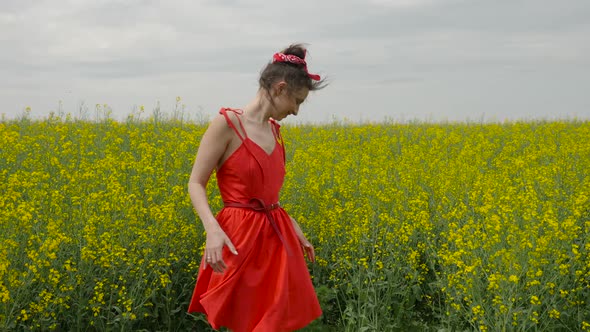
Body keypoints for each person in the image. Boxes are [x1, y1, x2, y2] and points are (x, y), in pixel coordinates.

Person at [187, 43, 326, 332]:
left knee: (273, 322)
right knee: (245, 321)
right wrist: (211, 228)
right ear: (280, 88)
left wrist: (294, 226)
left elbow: (268, 197)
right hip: (238, 238)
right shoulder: (227, 124)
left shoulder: (276, 131)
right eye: (296, 101)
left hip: (276, 238)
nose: (297, 112)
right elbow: (195, 183)